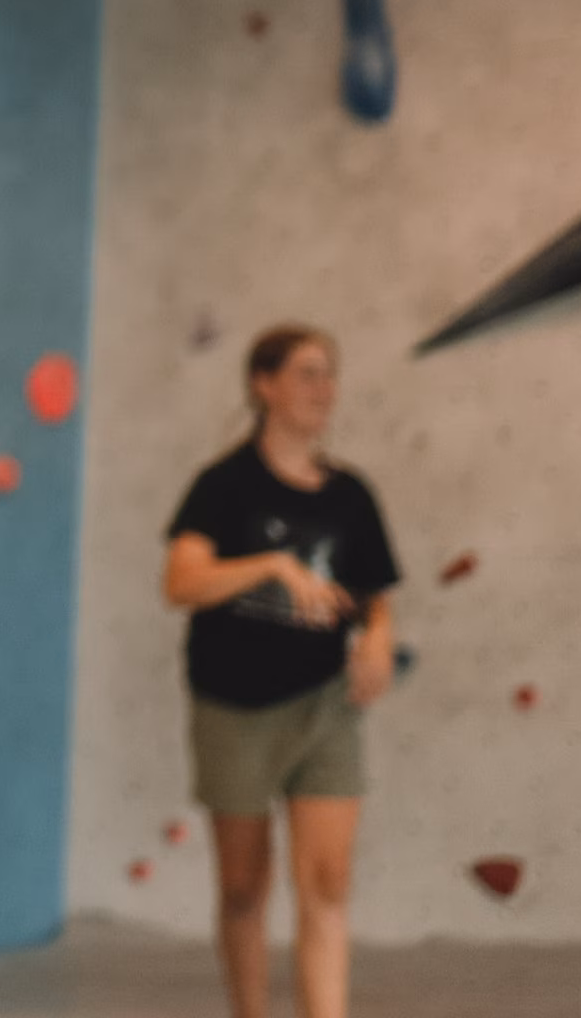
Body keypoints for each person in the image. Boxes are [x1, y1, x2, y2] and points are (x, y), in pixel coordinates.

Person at [163, 325, 401, 1018]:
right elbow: (181, 582)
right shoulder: (222, 486)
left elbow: (375, 600)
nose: (323, 389)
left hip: (325, 706)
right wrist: (270, 565)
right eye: (306, 374)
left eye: (329, 374)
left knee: (327, 885)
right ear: (263, 385)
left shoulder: (351, 494)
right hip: (233, 708)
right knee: (243, 889)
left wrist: (379, 640)